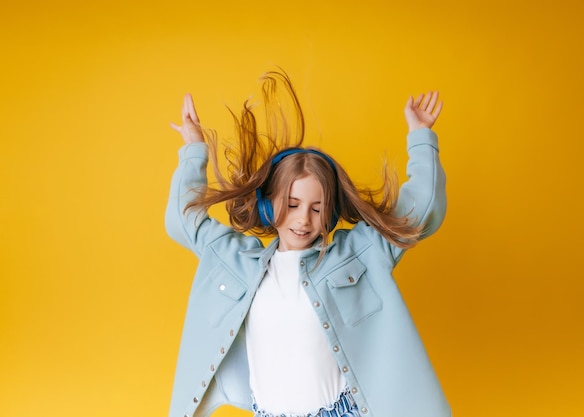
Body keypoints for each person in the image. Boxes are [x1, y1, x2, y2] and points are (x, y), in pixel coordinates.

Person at [166, 70, 450, 417]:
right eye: (292, 204)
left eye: (317, 208)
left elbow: (418, 213)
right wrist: (193, 150)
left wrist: (421, 138)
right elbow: (183, 220)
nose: (303, 219)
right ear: (270, 204)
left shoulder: (356, 254)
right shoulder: (235, 259)